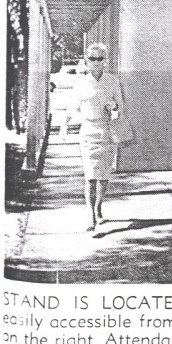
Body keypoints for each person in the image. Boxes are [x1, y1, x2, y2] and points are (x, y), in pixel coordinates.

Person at [60, 43, 124, 232]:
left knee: (103, 177)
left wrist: (114, 107)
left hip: (107, 131)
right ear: (87, 61)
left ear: (105, 61)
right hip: (88, 131)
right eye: (92, 58)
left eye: (100, 58)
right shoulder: (81, 83)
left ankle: (98, 208)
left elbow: (120, 107)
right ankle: (91, 216)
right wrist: (64, 126)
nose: (96, 62)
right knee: (90, 177)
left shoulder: (112, 81)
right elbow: (72, 107)